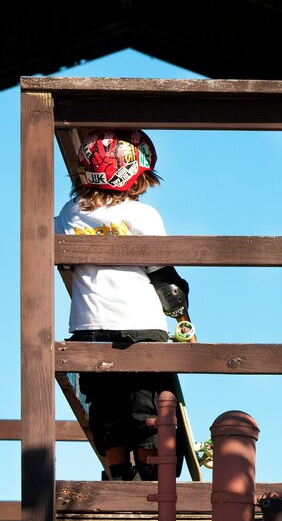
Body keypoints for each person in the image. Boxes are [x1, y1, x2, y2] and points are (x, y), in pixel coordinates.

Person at [55, 129, 191, 481]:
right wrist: (182, 316)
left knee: (106, 411)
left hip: (89, 326)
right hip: (141, 323)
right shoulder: (143, 216)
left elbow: (49, 241)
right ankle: (151, 478)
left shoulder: (71, 214)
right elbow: (165, 280)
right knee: (146, 409)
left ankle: (118, 476)